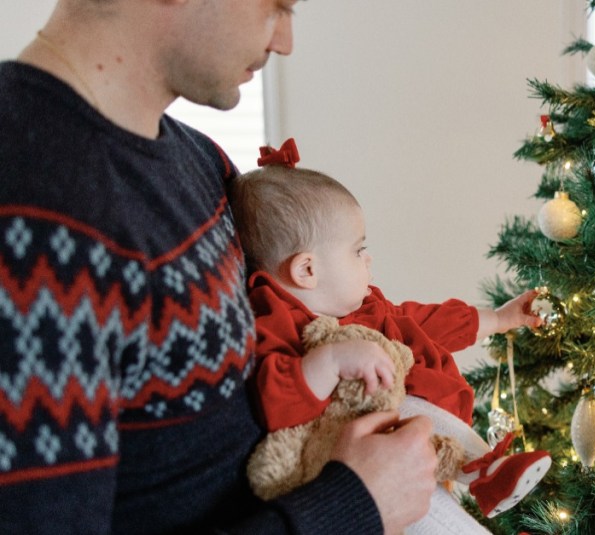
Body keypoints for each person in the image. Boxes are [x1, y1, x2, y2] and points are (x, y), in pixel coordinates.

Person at [0, 1, 437, 534]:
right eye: (276, 6)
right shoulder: (33, 220)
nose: (285, 41)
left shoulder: (198, 159)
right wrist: (354, 505)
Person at [230, 140, 552, 526]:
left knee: (422, 414)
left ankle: (483, 471)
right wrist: (330, 361)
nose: (368, 260)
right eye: (357, 250)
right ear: (307, 271)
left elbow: (426, 323)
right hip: (366, 463)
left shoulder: (366, 307)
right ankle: (480, 472)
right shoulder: (273, 318)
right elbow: (273, 397)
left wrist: (499, 320)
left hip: (421, 447)